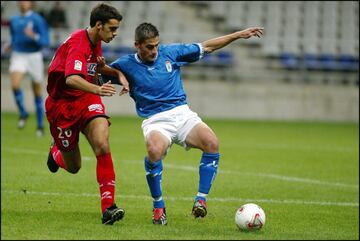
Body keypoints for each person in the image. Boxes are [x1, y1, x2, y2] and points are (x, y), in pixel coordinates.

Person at [107, 23, 264, 225]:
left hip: (181, 114)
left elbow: (207, 46)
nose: (154, 51)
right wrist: (119, 75)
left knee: (211, 142)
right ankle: (158, 206)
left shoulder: (171, 52)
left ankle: (200, 200)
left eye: (156, 45)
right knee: (154, 151)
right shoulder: (125, 64)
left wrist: (238, 35)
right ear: (137, 45)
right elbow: (98, 72)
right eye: (149, 47)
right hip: (156, 120)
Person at [45, 3, 129, 225]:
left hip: (86, 99)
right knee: (74, 167)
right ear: (98, 25)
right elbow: (71, 78)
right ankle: (56, 152)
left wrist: (116, 73)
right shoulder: (78, 43)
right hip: (62, 106)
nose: (115, 33)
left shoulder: (96, 40)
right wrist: (98, 89)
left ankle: (108, 208)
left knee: (102, 143)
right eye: (112, 29)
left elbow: (92, 69)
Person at [7, 1, 49, 137]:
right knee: (14, 85)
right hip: (18, 55)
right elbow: (14, 37)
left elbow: (45, 41)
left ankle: (40, 125)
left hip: (34, 56)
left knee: (36, 92)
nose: (23, 3)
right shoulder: (13, 20)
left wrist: (34, 36)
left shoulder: (37, 19)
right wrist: (10, 44)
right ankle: (23, 112)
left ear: (31, 3)